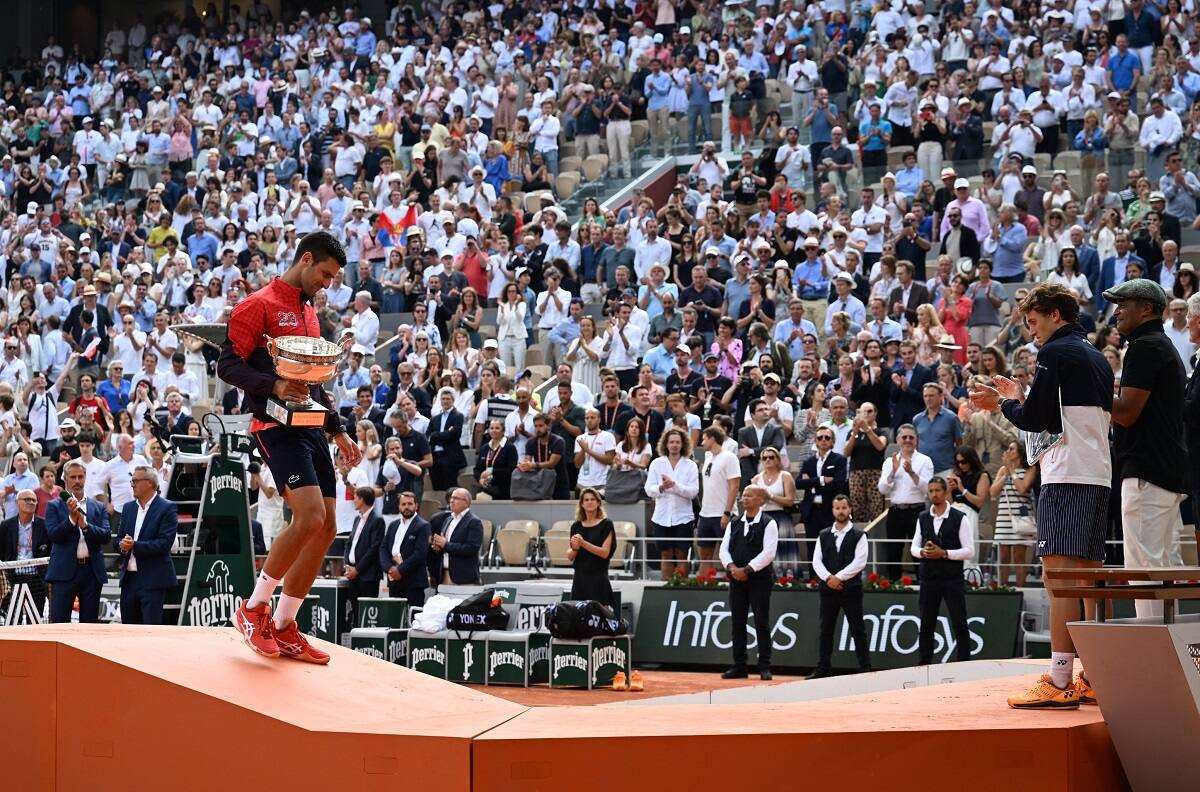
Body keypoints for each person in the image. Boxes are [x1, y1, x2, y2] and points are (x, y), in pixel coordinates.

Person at [217, 230, 362, 665]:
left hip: (311, 426)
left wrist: (337, 429)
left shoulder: (310, 314)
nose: (328, 284)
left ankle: (284, 625)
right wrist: (275, 384)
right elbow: (227, 365)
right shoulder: (256, 304)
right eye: (325, 274)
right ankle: (252, 609)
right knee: (310, 516)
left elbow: (314, 381)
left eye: (334, 278)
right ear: (305, 259)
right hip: (273, 424)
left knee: (328, 526)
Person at [970, 282, 1112, 709]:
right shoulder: (1097, 359)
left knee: (1059, 581)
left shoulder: (1054, 353)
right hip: (1097, 474)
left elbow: (1039, 419)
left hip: (1066, 476)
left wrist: (1003, 405)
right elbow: (1058, 415)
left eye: (1033, 322)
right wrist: (1020, 397)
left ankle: (1059, 678)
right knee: (1086, 579)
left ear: (1054, 314)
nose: (1031, 331)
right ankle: (1092, 675)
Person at [1104, 279, 1189, 616]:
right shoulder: (1159, 345)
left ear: (1148, 309)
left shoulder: (1145, 347)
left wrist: (1091, 390)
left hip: (1146, 473)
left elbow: (1124, 413)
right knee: (1165, 568)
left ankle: (1153, 663)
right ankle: (1175, 661)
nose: (1116, 311)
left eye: (1124, 303)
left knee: (1145, 571)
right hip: (1164, 471)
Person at [718, 484, 778, 681]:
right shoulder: (734, 523)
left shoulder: (769, 523)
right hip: (736, 579)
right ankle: (739, 665)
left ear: (760, 500)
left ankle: (764, 666)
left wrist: (748, 569)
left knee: (761, 621)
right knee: (737, 622)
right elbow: (723, 550)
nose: (744, 498)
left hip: (759, 580)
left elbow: (769, 552)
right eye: (743, 495)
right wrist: (732, 568)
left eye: (749, 496)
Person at [912, 477, 974, 665]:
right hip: (929, 578)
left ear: (946, 492)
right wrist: (923, 552)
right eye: (931, 491)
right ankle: (924, 663)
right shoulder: (922, 517)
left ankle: (964, 662)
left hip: (952, 578)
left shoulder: (959, 518)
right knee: (926, 623)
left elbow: (970, 551)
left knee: (959, 622)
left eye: (938, 490)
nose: (934, 494)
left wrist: (944, 553)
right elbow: (913, 547)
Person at [808, 494, 870, 678]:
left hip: (851, 589)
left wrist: (839, 578)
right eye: (837, 508)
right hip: (828, 590)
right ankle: (823, 668)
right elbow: (816, 561)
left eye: (844, 508)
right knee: (826, 629)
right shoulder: (823, 534)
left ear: (850, 509)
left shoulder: (859, 535)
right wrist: (829, 578)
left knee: (857, 629)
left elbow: (860, 562)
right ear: (833, 510)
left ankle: (865, 668)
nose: (841, 511)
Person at [44, 459, 110, 623]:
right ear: (64, 479)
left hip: (91, 571)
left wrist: (85, 526)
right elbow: (54, 535)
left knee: (90, 624)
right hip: (63, 571)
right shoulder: (54, 506)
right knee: (59, 623)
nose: (77, 481)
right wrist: (72, 521)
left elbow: (106, 536)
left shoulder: (98, 507)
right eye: (72, 477)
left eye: (80, 477)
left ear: (86, 477)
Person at [112, 465, 177, 625]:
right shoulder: (128, 508)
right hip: (129, 579)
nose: (132, 484)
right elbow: (118, 539)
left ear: (149, 483)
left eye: (135, 481)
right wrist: (122, 545)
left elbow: (164, 543)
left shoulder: (167, 508)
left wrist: (134, 545)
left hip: (153, 578)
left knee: (150, 628)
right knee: (128, 627)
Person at [877, 424, 934, 574]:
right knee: (894, 551)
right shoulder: (890, 462)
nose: (908, 440)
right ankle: (894, 585)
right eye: (904, 437)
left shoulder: (925, 460)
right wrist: (893, 473)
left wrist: (912, 473)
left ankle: (923, 584)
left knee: (919, 551)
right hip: (896, 511)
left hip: (917, 510)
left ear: (916, 441)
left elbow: (928, 490)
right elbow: (882, 489)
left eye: (911, 437)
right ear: (897, 440)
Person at [645, 427, 700, 580]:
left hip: (684, 517)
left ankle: (682, 588)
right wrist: (662, 487)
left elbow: (693, 492)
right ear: (666, 444)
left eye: (677, 442)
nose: (674, 445)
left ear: (683, 444)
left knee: (682, 554)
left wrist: (674, 485)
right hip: (662, 517)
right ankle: (666, 586)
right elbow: (649, 490)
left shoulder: (691, 465)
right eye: (671, 442)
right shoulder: (656, 463)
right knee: (666, 553)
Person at [796, 428, 848, 573]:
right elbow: (799, 483)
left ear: (833, 441)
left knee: (831, 545)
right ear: (815, 441)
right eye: (820, 438)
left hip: (829, 509)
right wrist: (822, 480)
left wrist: (811, 483)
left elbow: (838, 484)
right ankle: (813, 578)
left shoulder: (839, 460)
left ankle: (832, 576)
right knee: (812, 547)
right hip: (811, 511)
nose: (823, 440)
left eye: (827, 437)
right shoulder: (808, 462)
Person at [0, 488, 50, 617]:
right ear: (17, 503)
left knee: (34, 619)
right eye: (27, 499)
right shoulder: (5, 526)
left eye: (33, 500)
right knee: (11, 619)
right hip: (12, 579)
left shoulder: (44, 525)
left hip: (36, 579)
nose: (31, 502)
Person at [697, 425, 741, 572]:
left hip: (723, 513)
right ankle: (705, 584)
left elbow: (734, 486)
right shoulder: (708, 457)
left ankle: (732, 587)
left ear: (712, 439)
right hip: (706, 513)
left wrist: (727, 512)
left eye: (704, 439)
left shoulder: (730, 457)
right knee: (704, 554)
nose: (701, 442)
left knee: (729, 554)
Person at [379, 491, 431, 607]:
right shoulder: (393, 525)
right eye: (403, 504)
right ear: (398, 506)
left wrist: (400, 570)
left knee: (412, 619)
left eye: (410, 504)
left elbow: (420, 554)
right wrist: (389, 569)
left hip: (413, 582)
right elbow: (383, 549)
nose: (407, 507)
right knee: (395, 619)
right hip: (394, 581)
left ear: (416, 506)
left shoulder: (423, 526)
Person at [568, 487, 616, 605]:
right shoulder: (576, 526)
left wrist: (583, 543)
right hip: (580, 579)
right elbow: (571, 556)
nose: (590, 502)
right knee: (579, 618)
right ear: (582, 504)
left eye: (593, 499)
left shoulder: (606, 524)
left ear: (598, 502)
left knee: (599, 618)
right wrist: (575, 548)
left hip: (598, 578)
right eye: (586, 500)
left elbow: (605, 553)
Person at [427, 488, 484, 587]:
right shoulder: (448, 520)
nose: (451, 501)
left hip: (464, 578)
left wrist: (446, 544)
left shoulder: (474, 522)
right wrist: (439, 547)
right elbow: (445, 546)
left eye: (456, 498)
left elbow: (472, 548)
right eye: (451, 498)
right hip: (444, 575)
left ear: (466, 502)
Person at [343, 486, 385, 610]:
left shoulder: (377, 520)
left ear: (362, 500)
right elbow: (349, 544)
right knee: (355, 610)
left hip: (368, 575)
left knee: (367, 611)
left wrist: (357, 569)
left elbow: (373, 549)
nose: (353, 501)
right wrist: (347, 566)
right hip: (353, 574)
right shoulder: (357, 519)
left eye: (355, 498)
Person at [426, 388, 467, 491]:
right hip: (435, 457)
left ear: (453, 400)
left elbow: (454, 434)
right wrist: (443, 434)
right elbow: (428, 436)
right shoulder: (435, 419)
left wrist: (436, 435)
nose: (445, 401)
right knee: (437, 487)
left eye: (448, 399)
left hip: (450, 457)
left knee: (450, 487)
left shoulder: (458, 416)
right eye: (443, 399)